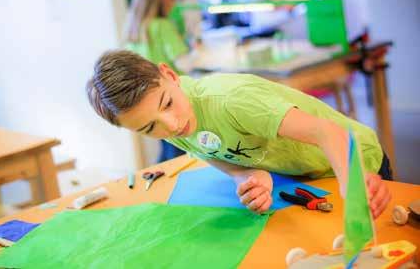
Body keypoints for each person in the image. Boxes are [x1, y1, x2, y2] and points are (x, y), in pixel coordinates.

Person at [87, 50, 392, 218]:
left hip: (354, 162)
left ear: (169, 75)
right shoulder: (165, 122)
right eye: (149, 128)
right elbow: (206, 151)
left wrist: (349, 182)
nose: (171, 126)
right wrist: (242, 174)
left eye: (167, 104)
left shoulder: (231, 100)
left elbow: (328, 132)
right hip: (309, 177)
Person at [123, 0, 193, 162]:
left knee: (167, 147)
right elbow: (183, 62)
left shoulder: (134, 28)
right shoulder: (162, 25)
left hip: (147, 102)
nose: (174, 2)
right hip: (168, 99)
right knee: (180, 151)